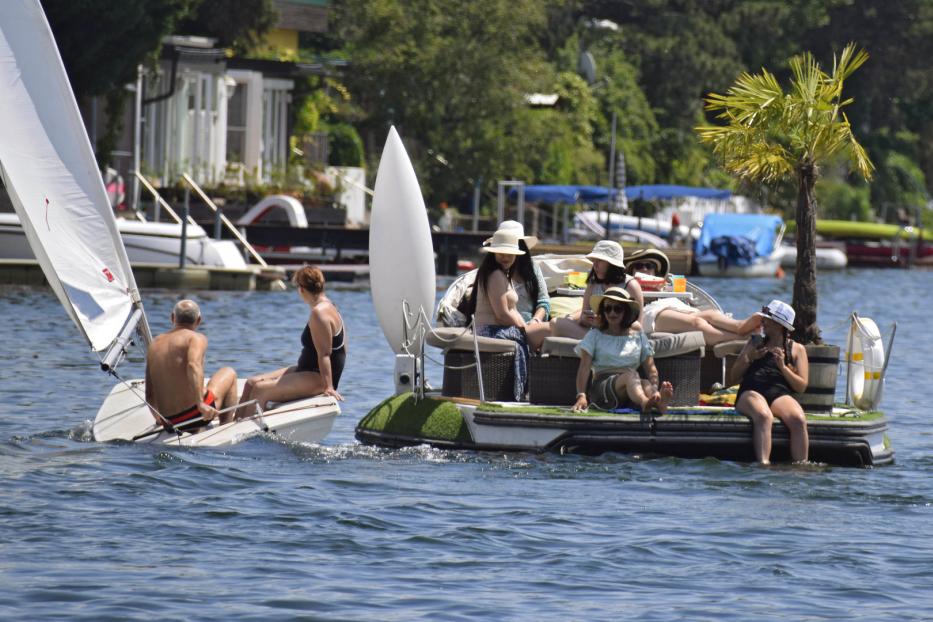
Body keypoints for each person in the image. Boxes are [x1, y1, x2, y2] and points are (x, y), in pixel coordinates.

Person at [239, 266, 346, 416]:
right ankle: (230, 427)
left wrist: (328, 386)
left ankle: (245, 435)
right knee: (251, 383)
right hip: (306, 370)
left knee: (260, 390)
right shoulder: (329, 306)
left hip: (317, 377)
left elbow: (325, 354)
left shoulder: (319, 313)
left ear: (301, 289)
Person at [468, 229, 551, 401]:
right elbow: (502, 314)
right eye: (501, 253)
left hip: (499, 329)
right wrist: (524, 329)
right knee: (552, 330)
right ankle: (539, 389)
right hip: (493, 330)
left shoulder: (497, 273)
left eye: (510, 254)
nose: (506, 257)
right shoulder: (496, 275)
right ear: (494, 253)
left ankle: (535, 387)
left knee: (549, 330)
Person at [729, 300, 809, 464]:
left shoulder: (796, 349)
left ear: (779, 325)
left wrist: (783, 367)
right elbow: (733, 376)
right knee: (764, 416)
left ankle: (801, 467)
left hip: (778, 392)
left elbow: (801, 386)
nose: (762, 322)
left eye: (767, 320)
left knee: (798, 419)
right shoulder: (755, 342)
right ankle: (764, 465)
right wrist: (750, 358)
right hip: (751, 391)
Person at [572, 286, 674, 414]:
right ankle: (644, 402)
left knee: (645, 383)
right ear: (603, 312)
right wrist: (581, 395)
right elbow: (584, 368)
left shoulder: (638, 337)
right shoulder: (594, 335)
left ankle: (658, 402)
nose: (612, 313)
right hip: (602, 389)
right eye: (607, 309)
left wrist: (653, 387)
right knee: (632, 376)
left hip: (631, 387)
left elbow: (651, 369)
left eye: (617, 309)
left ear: (625, 311)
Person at [626, 248, 760, 343]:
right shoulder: (628, 285)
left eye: (648, 266)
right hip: (647, 314)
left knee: (711, 314)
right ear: (632, 271)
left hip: (669, 307)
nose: (644, 269)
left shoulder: (663, 285)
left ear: (654, 271)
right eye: (639, 266)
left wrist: (662, 288)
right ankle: (742, 339)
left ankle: (740, 326)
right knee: (697, 323)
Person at [145, 299, 238, 433]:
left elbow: (149, 393)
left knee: (205, 386)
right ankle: (225, 428)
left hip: (169, 421)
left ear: (172, 318)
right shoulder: (196, 338)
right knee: (229, 372)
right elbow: (193, 365)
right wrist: (200, 404)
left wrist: (159, 418)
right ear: (198, 320)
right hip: (195, 416)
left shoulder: (154, 344)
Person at [552, 240, 644, 339]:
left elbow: (638, 326)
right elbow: (583, 318)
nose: (595, 265)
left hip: (621, 336)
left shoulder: (631, 285)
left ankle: (599, 343)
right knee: (555, 323)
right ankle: (598, 343)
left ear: (612, 264)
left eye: (599, 260)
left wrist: (606, 322)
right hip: (595, 333)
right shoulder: (593, 284)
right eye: (594, 261)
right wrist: (587, 319)